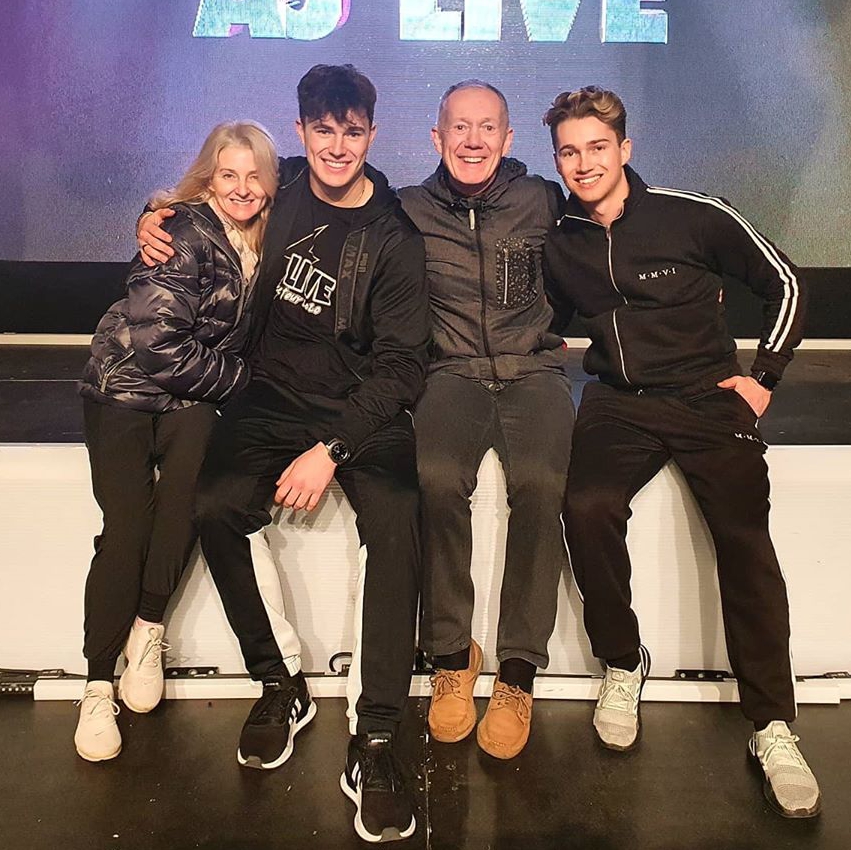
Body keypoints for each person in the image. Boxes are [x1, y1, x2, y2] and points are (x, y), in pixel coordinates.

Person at [138, 64, 430, 843]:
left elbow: (403, 367)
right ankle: (281, 685)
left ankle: (373, 737)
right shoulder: (286, 184)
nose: (338, 145)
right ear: (302, 134)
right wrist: (153, 214)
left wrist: (332, 449)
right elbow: (204, 193)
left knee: (400, 517)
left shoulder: (394, 237)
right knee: (213, 505)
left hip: (361, 407)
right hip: (268, 397)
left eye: (354, 130)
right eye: (324, 130)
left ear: (372, 133)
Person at [541, 86, 820, 818]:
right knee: (584, 506)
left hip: (706, 397)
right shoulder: (561, 238)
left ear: (624, 149)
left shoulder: (693, 213)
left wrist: (762, 379)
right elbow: (530, 316)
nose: (582, 162)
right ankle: (622, 662)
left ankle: (771, 725)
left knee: (744, 540)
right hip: (616, 403)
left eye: (596, 147)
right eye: (568, 150)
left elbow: (784, 280)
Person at [76, 121, 278, 762]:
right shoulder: (183, 228)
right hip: (127, 387)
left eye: (255, 175)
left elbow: (344, 174)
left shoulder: (266, 228)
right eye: (228, 175)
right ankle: (96, 682)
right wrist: (244, 382)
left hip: (193, 395)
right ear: (209, 178)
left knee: (189, 498)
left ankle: (148, 627)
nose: (243, 188)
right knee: (127, 526)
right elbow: (158, 346)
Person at [398, 81, 575, 760]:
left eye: (487, 128)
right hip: (451, 374)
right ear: (436, 138)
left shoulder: (542, 201)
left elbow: (619, 199)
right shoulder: (406, 208)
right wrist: (164, 206)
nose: (473, 141)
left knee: (539, 483)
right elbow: (314, 186)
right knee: (436, 479)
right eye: (459, 128)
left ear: (507, 139)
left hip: (532, 372)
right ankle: (451, 656)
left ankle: (518, 672)